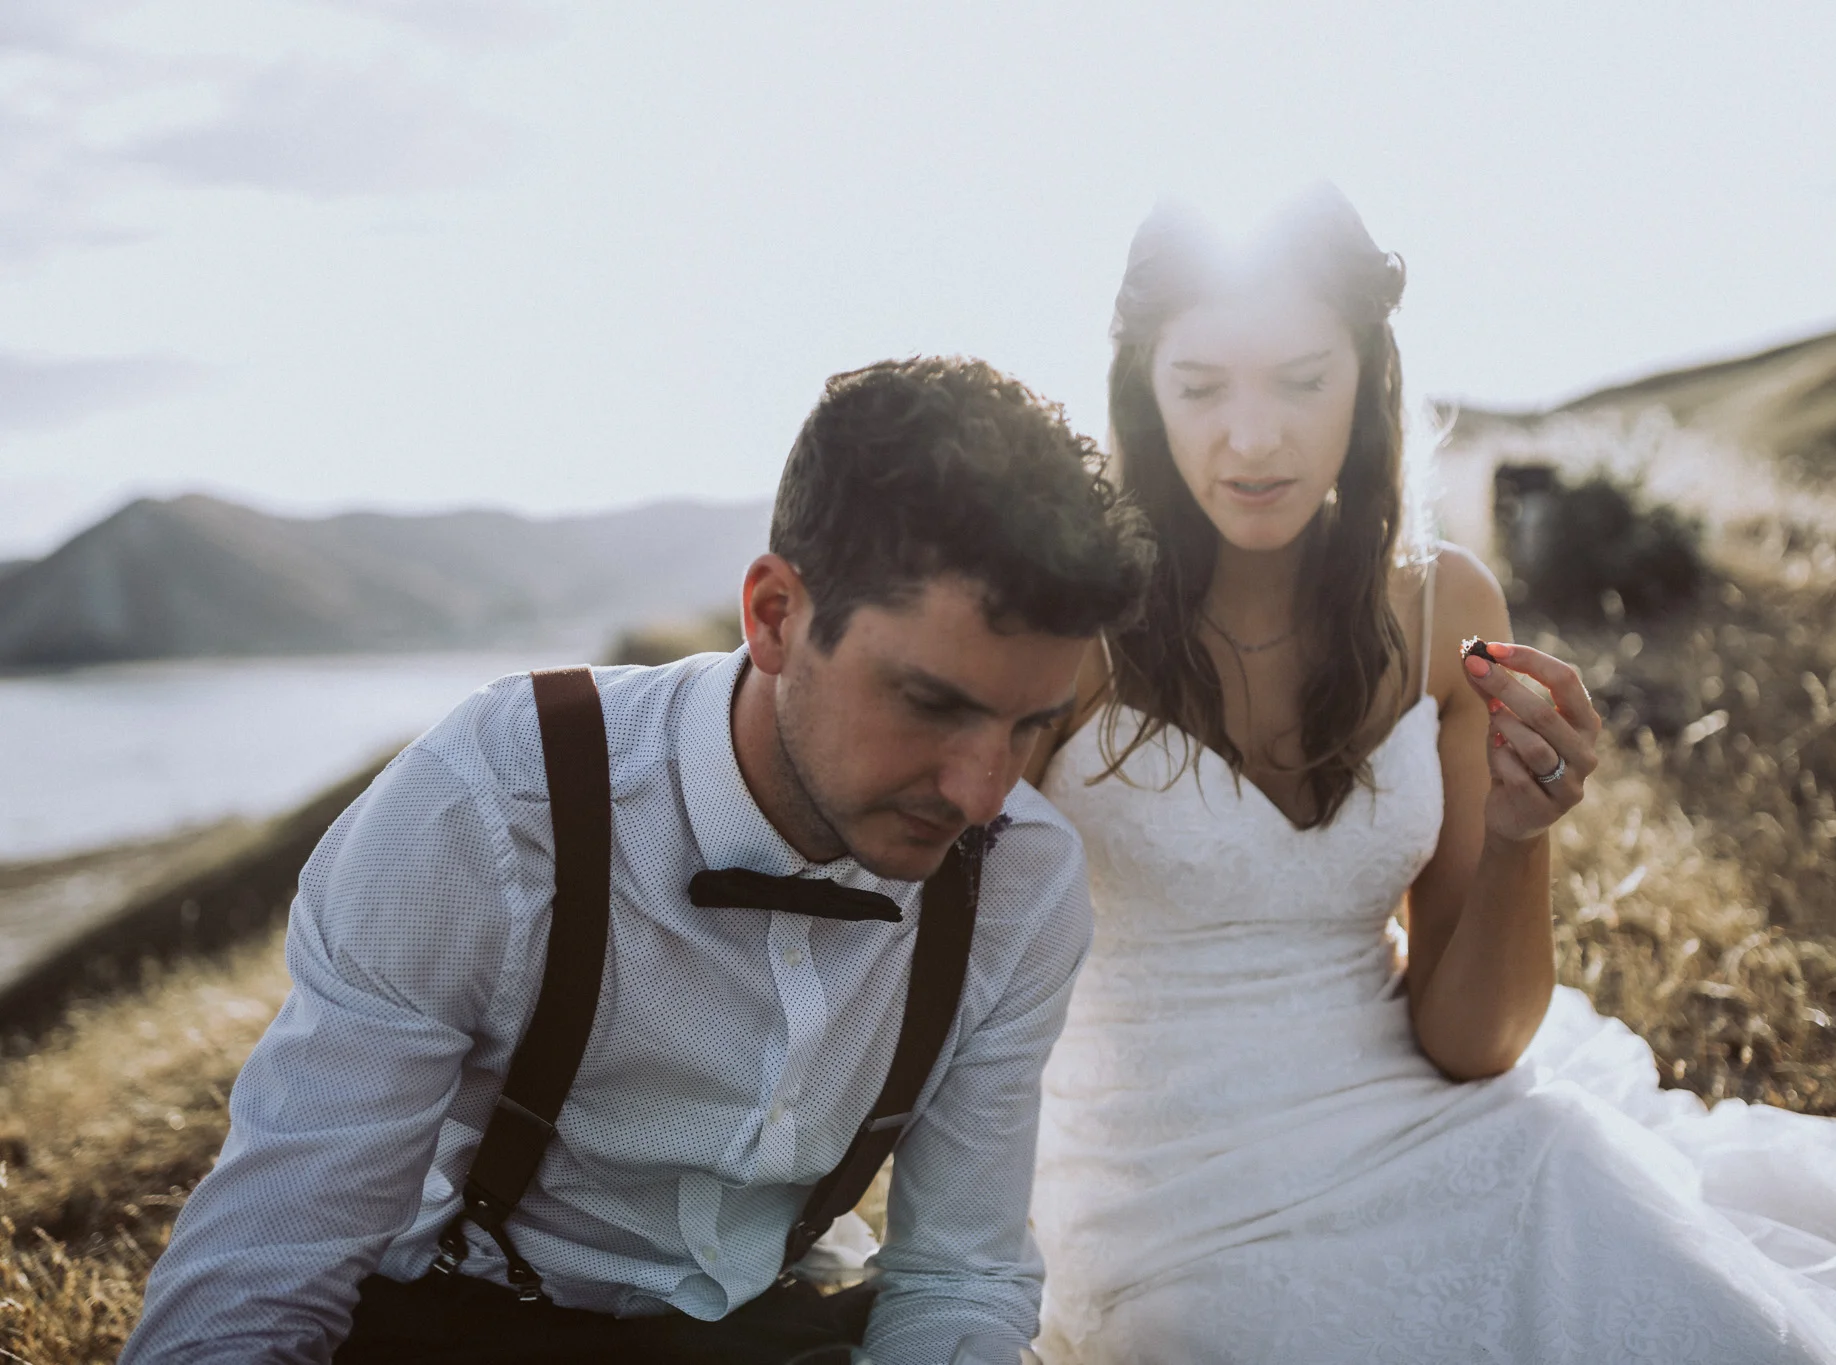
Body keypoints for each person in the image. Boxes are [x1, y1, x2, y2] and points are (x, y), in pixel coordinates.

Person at [1023, 184, 1836, 1363]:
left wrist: (1520, 836)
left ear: (1367, 376)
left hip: (1434, 1121)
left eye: (1301, 380)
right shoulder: (1073, 627)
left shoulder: (1440, 608)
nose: (1251, 438)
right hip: (1163, 1202)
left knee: (1685, 1294)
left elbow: (1467, 1043)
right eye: (1201, 388)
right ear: (1144, 391)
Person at [121, 357, 1152, 1365]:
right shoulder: (482, 812)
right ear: (774, 616)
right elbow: (264, 1268)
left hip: (770, 1326)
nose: (981, 792)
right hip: (455, 1324)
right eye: (931, 704)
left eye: (1028, 726)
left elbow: (956, 1278)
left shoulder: (1022, 878)